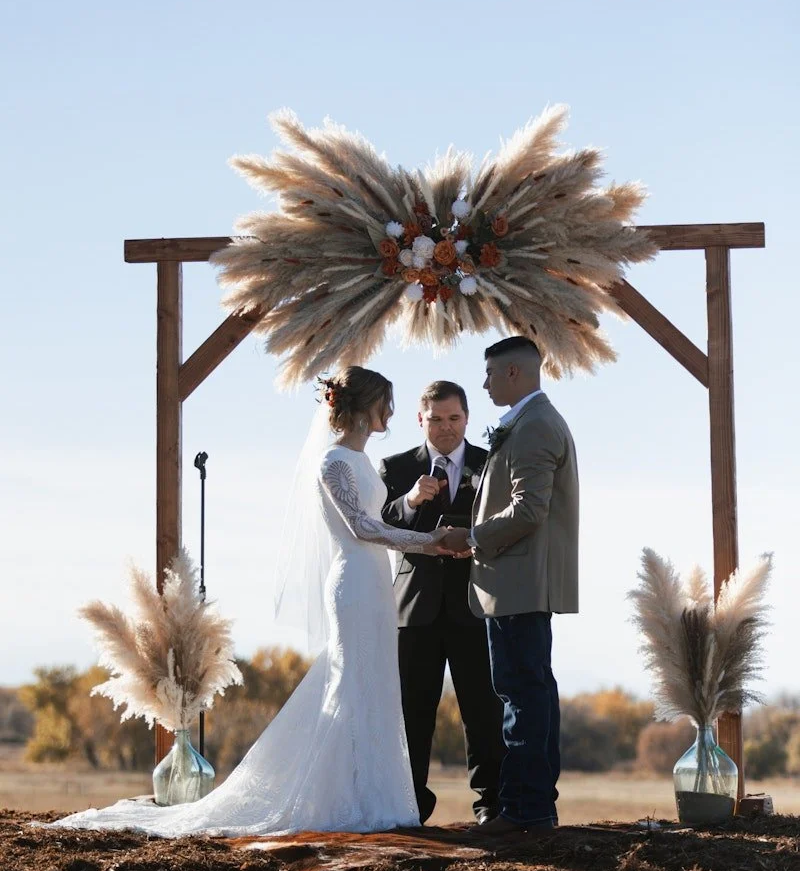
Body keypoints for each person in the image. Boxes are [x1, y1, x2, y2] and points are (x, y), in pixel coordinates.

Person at [46, 368, 449, 838]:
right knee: (351, 681)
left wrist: (414, 505)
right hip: (354, 583)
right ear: (363, 405)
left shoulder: (363, 461)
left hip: (378, 583)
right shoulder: (333, 463)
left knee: (376, 682)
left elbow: (376, 518)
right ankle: (339, 797)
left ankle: (371, 795)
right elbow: (361, 528)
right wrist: (429, 541)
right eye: (386, 402)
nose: (392, 413)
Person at [439, 336, 579, 836]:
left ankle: (523, 811)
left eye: (491, 374)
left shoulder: (535, 425)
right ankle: (534, 808)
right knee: (532, 692)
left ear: (514, 373)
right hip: (518, 582)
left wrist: (471, 536)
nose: (484, 383)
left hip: (520, 582)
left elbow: (528, 509)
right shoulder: (530, 421)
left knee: (522, 695)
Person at [378, 380, 504, 824]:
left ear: (467, 418)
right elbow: (377, 525)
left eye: (453, 419)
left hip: (476, 602)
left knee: (483, 709)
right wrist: (412, 500)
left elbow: (507, 525)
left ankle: (492, 803)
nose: (445, 428)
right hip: (415, 606)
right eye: (435, 419)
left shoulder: (490, 464)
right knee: (412, 712)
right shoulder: (394, 467)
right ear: (420, 420)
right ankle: (409, 804)